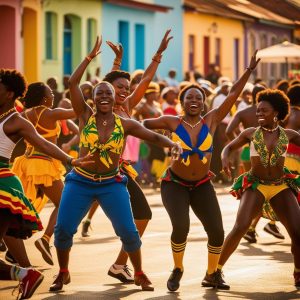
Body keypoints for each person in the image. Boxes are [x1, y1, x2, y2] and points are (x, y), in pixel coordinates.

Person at [50, 36, 181, 293]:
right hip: (82, 178)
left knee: (131, 229)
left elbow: (150, 129)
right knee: (63, 230)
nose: (121, 92)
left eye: (125, 88)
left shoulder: (126, 114)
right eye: (114, 89)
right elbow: (86, 84)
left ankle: (134, 270)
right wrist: (91, 58)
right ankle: (64, 271)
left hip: (113, 177)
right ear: (95, 96)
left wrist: (172, 144)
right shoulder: (87, 112)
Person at [143, 52, 260, 291]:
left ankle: (212, 273)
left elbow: (232, 94)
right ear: (182, 102)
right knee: (181, 227)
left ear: (204, 102)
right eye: (189, 97)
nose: (193, 100)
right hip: (174, 184)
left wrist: (248, 71)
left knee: (217, 231)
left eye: (198, 97)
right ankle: (178, 268)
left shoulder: (212, 120)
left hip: (201, 185)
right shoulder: (171, 121)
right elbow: (144, 126)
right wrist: (167, 140)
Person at [80, 30, 172, 283]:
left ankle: (120, 264)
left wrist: (159, 54)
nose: (124, 91)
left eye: (126, 88)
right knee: (66, 223)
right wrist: (117, 64)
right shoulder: (102, 107)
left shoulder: (128, 106)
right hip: (97, 170)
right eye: (119, 87)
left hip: (119, 170)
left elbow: (145, 81)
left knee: (142, 215)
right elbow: (106, 86)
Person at [0, 68, 91, 299]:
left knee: (28, 215)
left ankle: (28, 266)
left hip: (12, 174)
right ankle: (28, 268)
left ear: (10, 94)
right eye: (50, 92)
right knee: (13, 227)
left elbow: (44, 142)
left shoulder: (19, 118)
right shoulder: (18, 115)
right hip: (32, 166)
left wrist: (71, 159)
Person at [219, 89, 300, 289]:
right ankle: (214, 271)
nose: (259, 114)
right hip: (256, 185)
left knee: (298, 232)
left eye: (264, 111)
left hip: (281, 185)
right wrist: (224, 158)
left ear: (277, 113)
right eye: (258, 111)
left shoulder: (289, 134)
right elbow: (228, 147)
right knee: (240, 226)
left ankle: (298, 273)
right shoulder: (250, 133)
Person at [11, 82, 76, 266]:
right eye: (50, 93)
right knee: (64, 203)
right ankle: (45, 239)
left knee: (23, 206)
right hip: (42, 164)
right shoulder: (49, 113)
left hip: (26, 163)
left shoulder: (24, 114)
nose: (53, 96)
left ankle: (10, 249)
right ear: (43, 98)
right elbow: (77, 111)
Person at [226, 84, 285, 243]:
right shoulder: (271, 113)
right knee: (263, 187)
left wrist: (242, 142)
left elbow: (228, 131)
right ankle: (254, 227)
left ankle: (256, 225)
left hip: (248, 152)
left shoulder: (243, 112)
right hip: (264, 152)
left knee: (256, 188)